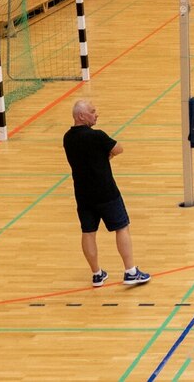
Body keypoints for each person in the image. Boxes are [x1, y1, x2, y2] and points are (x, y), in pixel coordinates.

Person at [63, 100, 149, 287]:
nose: (96, 114)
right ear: (81, 116)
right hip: (106, 192)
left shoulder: (67, 138)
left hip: (83, 194)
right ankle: (130, 271)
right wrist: (106, 156)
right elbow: (118, 149)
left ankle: (96, 274)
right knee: (122, 227)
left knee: (88, 232)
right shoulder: (97, 136)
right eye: (92, 111)